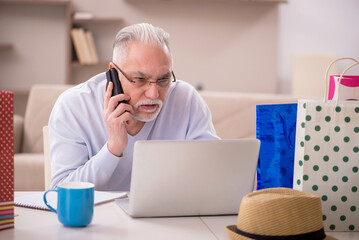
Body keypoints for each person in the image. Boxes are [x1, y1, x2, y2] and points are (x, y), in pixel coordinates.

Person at [49, 23, 219, 191]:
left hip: (167, 216)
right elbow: (60, 192)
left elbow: (216, 171)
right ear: (114, 72)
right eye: (139, 79)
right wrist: (113, 148)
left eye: (163, 79)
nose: (153, 94)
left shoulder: (187, 100)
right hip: (97, 217)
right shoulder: (73, 106)